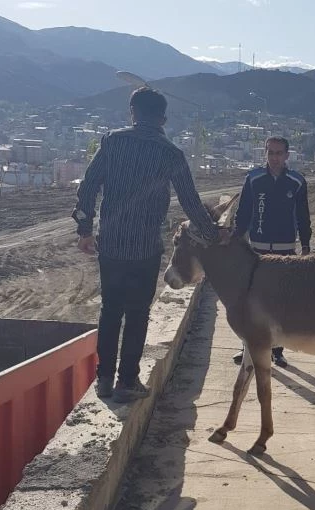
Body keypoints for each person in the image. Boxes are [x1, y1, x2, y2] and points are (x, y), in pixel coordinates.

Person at [72, 87, 224, 403]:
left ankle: (103, 380)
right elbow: (191, 203)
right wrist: (213, 235)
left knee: (110, 309)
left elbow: (88, 188)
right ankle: (127, 379)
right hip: (145, 248)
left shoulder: (112, 142)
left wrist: (85, 230)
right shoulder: (171, 154)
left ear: (132, 112)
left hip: (111, 244)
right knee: (138, 312)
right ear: (164, 118)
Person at [231, 136, 312, 368]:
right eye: (271, 153)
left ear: (287, 155)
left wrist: (305, 245)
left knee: (281, 302)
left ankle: (277, 351)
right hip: (257, 249)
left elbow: (304, 216)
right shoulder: (254, 179)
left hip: (286, 250)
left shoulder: (296, 182)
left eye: (279, 153)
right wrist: (237, 239)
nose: (275, 158)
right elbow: (243, 213)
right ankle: (247, 347)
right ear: (265, 154)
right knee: (251, 301)